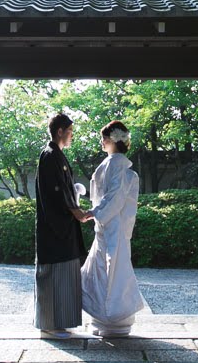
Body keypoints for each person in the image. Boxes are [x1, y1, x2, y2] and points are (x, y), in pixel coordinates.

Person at [80, 119, 148, 338]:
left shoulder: (115, 164)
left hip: (112, 226)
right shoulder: (117, 164)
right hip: (111, 226)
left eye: (104, 138)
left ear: (110, 140)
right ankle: (105, 320)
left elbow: (115, 197)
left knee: (108, 272)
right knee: (107, 271)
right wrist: (97, 213)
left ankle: (112, 321)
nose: (102, 142)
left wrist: (94, 212)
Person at [34, 111, 90, 338]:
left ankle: (58, 322)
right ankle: (48, 325)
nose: (72, 136)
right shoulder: (50, 156)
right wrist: (76, 211)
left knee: (63, 274)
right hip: (53, 227)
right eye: (70, 132)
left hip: (62, 226)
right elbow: (56, 192)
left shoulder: (56, 155)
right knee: (52, 274)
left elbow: (64, 190)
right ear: (60, 132)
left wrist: (75, 210)